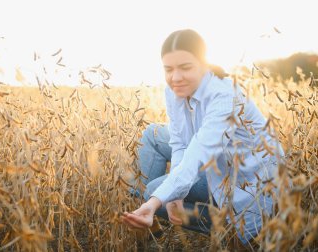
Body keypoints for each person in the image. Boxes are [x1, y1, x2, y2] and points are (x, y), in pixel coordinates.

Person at [121, 29, 284, 245]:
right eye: (168, 69)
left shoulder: (225, 95)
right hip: (212, 159)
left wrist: (156, 201)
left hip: (246, 179)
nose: (175, 77)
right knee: (153, 133)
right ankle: (144, 220)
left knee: (155, 191)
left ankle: (229, 231)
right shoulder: (175, 89)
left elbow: (197, 154)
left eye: (185, 67)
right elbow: (179, 143)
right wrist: (176, 195)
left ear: (204, 64)